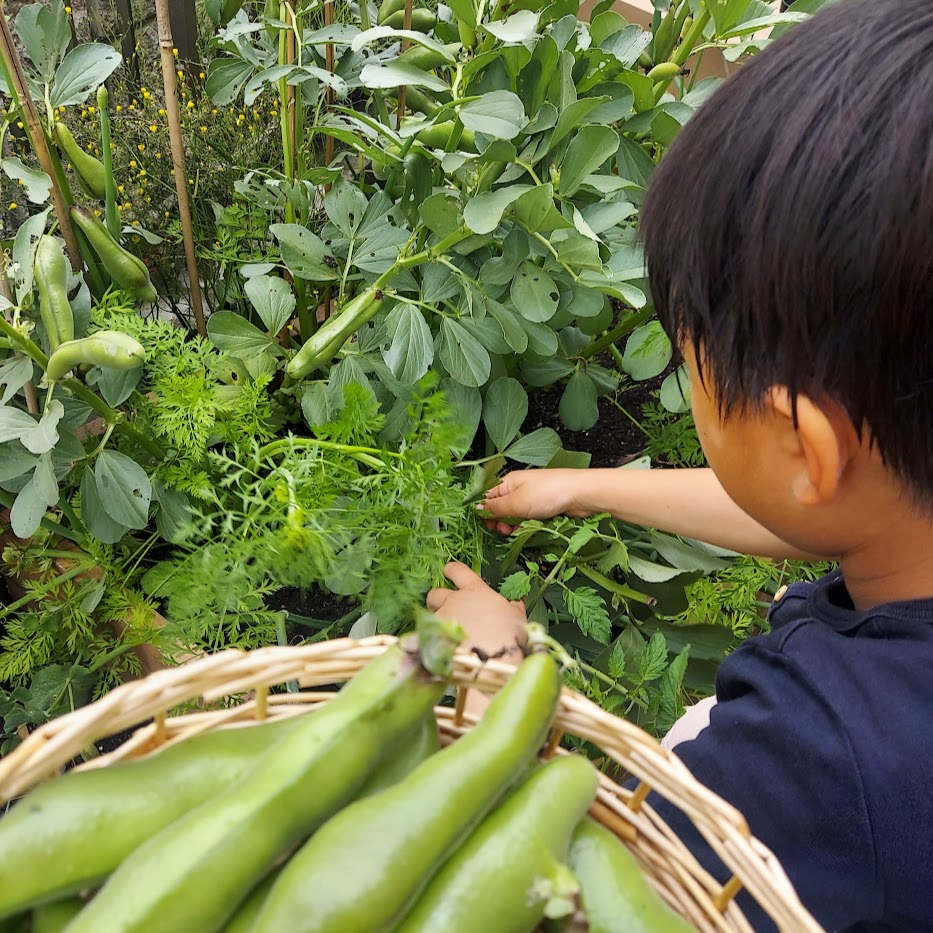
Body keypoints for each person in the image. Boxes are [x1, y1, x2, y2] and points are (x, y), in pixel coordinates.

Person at [426, 0, 933, 929]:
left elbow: (579, 886)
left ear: (802, 444)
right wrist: (580, 485)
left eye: (686, 367)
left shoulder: (811, 765)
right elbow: (803, 501)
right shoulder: (899, 531)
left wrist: (495, 675)